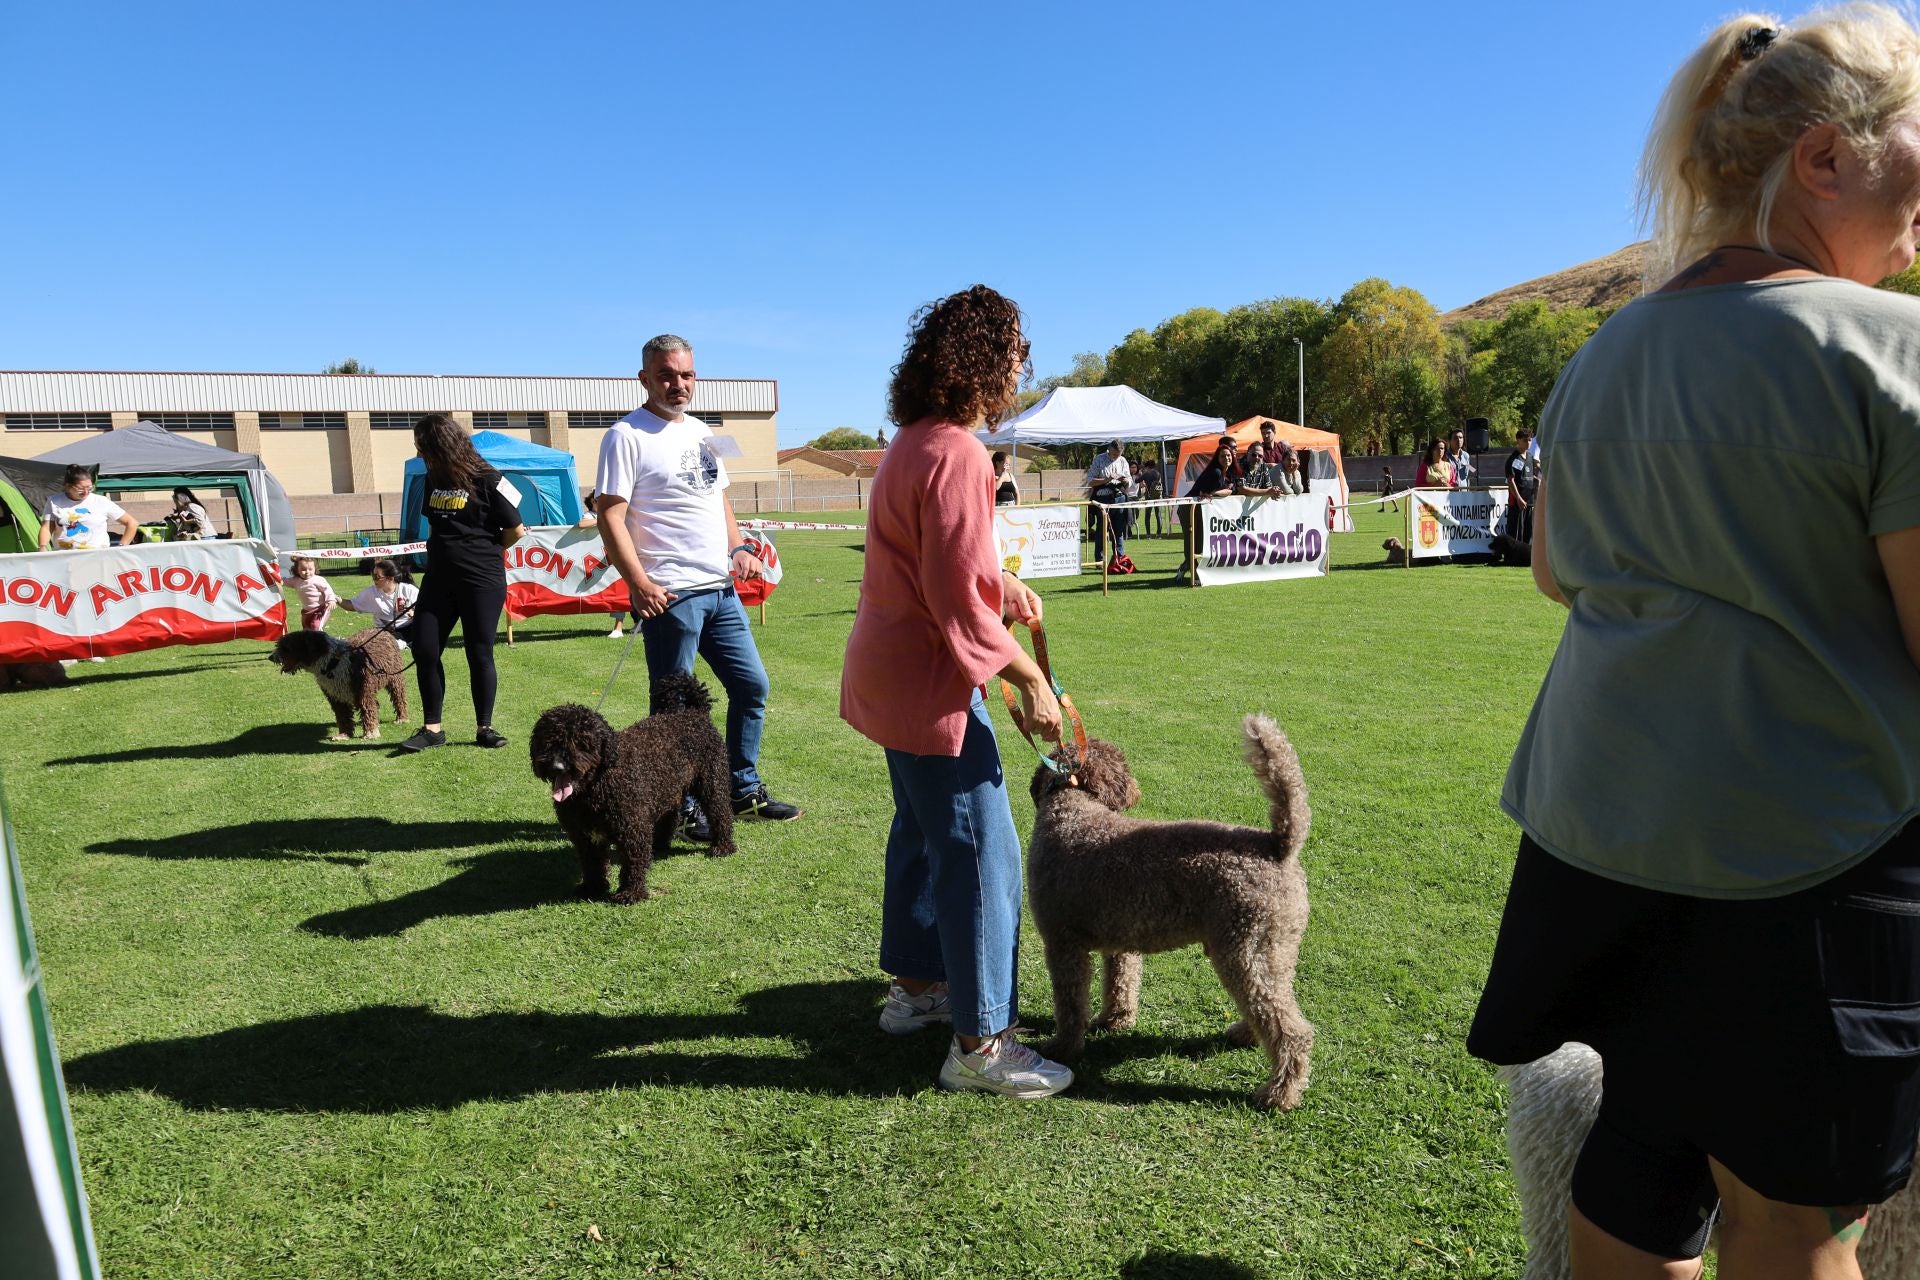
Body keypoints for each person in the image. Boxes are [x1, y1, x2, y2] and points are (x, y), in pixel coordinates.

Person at [1468, 10, 1920, 1278]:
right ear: (1828, 158)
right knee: (1792, 1218)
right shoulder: (1892, 347)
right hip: (1814, 860)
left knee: (1639, 1166)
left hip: (1601, 842)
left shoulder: (1604, 354)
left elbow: (1557, 570)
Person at [841, 283, 1072, 1098]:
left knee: (922, 830)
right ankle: (982, 1045)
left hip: (891, 676)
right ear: (983, 360)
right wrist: (1033, 679)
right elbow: (952, 602)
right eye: (1014, 354)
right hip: (929, 682)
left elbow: (942, 568)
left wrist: (1005, 589)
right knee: (981, 853)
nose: (1019, 368)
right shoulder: (958, 452)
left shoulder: (914, 439)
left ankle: (918, 990)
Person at [594, 334, 801, 822]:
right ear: (644, 378)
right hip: (671, 595)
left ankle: (740, 789)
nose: (678, 384)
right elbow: (609, 516)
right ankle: (679, 806)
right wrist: (639, 583)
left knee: (752, 688)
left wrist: (738, 546)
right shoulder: (626, 435)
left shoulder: (702, 433)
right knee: (673, 714)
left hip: (720, 591)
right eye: (666, 375)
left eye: (686, 374)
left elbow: (719, 500)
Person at [399, 413, 525, 752]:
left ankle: (485, 727)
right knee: (425, 649)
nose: (420, 453)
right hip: (438, 580)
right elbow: (436, 525)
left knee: (478, 653)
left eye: (423, 447)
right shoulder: (431, 478)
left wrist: (482, 552)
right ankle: (432, 730)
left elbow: (516, 529)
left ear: (442, 444)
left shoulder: (488, 478)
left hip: (481, 581)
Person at [39, 465, 134, 551]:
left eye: (89, 488)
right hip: (64, 557)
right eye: (80, 489)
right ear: (67, 486)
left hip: (97, 556)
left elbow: (131, 523)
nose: (85, 492)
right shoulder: (54, 501)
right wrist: (42, 547)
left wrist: (122, 547)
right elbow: (47, 528)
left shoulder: (101, 501)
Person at [339, 557, 420, 647]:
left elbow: (424, 609)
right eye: (373, 576)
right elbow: (352, 605)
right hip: (385, 631)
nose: (373, 579)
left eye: (377, 577)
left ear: (390, 578)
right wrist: (337, 600)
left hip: (409, 629)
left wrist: (414, 613)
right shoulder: (371, 592)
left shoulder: (408, 590)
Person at [1084, 439, 1131, 567]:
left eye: (1119, 454)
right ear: (1109, 449)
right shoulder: (1099, 459)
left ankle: (1119, 559)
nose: (1117, 457)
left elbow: (1129, 481)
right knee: (1101, 530)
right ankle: (1100, 561)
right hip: (1103, 501)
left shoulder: (1123, 461)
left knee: (1119, 531)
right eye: (1115, 454)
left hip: (1120, 499)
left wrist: (1126, 480)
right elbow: (1090, 481)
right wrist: (1106, 479)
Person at [1504, 428, 1539, 543]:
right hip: (1517, 501)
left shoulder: (1529, 457)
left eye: (1529, 440)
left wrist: (1537, 483)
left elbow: (1528, 476)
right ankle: (1512, 556)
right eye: (1525, 440)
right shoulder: (1514, 458)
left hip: (1528, 501)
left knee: (1527, 530)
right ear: (1518, 440)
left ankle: (1524, 555)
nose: (1528, 443)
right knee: (1515, 531)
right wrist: (1518, 498)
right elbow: (1511, 480)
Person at [287, 555, 340, 631]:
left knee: (316, 627)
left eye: (310, 569)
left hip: (321, 609)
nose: (307, 572)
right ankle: (309, 642)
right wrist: (272, 574)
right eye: (303, 569)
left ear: (315, 568)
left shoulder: (318, 580)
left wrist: (331, 600)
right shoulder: (295, 580)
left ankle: (321, 642)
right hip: (306, 611)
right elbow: (282, 581)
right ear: (297, 570)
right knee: (306, 630)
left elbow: (327, 589)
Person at [1138, 458, 1164, 536]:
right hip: (1158, 496)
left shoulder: (1146, 474)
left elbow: (1136, 480)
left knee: (1147, 515)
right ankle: (1159, 534)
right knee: (1158, 515)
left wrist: (1140, 474)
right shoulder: (1158, 473)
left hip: (1148, 496)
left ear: (1147, 467)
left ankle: (1148, 534)